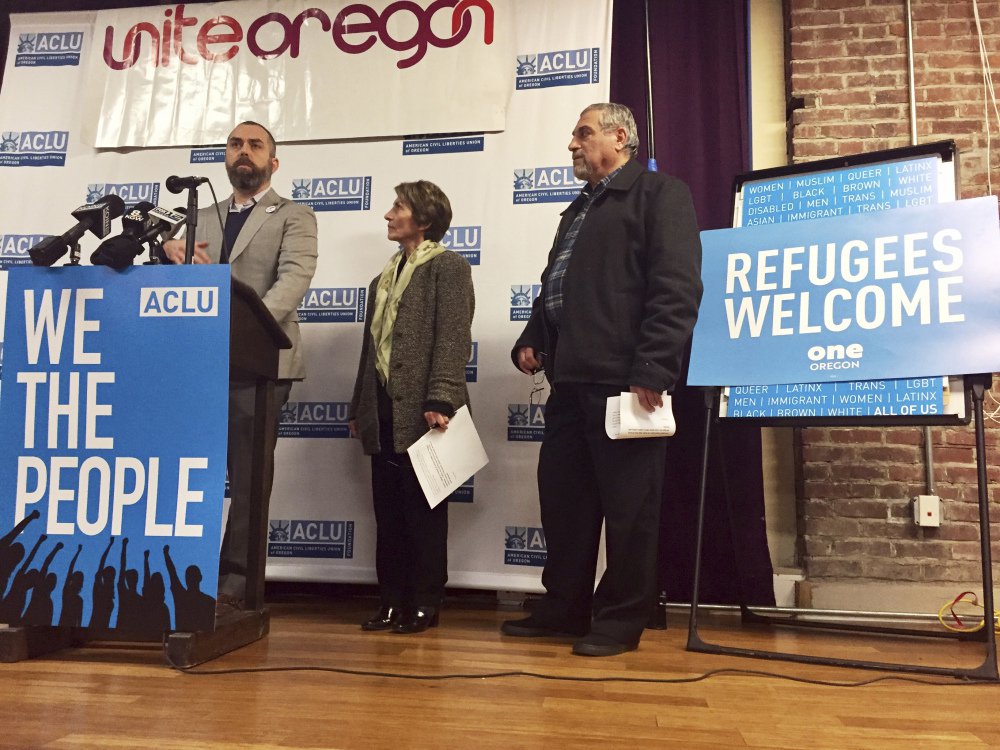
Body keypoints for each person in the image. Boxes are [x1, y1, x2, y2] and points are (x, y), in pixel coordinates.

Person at [501, 103, 703, 657]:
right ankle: (564, 609)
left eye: (583, 133)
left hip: (626, 382)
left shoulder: (661, 195)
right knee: (564, 505)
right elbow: (556, 287)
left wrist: (653, 367)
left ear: (620, 137)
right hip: (570, 384)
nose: (572, 144)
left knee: (631, 512)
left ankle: (620, 620)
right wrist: (532, 335)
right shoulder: (578, 210)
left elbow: (677, 288)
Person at [163, 121, 318, 612]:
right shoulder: (197, 217)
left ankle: (236, 586)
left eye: (255, 145)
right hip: (198, 364)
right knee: (191, 474)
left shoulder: (294, 215)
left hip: (260, 363)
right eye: (235, 144)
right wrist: (166, 254)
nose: (243, 151)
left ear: (273, 162)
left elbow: (293, 280)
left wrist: (247, 331)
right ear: (226, 159)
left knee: (249, 478)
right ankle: (184, 575)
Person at [349, 181, 474, 634]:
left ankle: (424, 602)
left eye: (397, 207)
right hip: (383, 408)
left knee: (423, 513)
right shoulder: (380, 279)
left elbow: (454, 338)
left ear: (422, 220)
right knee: (389, 513)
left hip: (426, 410)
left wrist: (441, 397)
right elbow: (371, 350)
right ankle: (391, 601)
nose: (387, 215)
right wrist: (358, 407)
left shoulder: (450, 269)